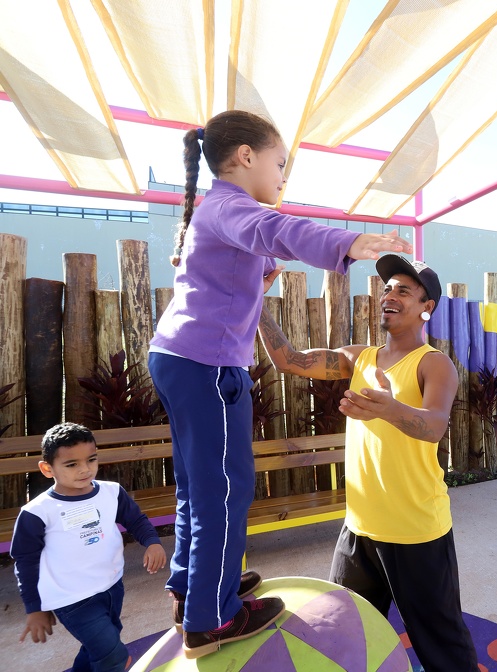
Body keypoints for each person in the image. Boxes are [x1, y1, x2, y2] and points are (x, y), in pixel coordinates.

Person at [148, 109, 412, 659]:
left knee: (201, 486)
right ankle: (210, 620)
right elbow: (276, 228)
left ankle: (193, 587)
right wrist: (352, 243)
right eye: (280, 163)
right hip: (204, 365)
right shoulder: (230, 205)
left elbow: (247, 257)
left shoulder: (215, 210)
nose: (283, 176)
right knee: (226, 489)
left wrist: (262, 274)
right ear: (245, 156)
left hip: (181, 358)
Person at [257, 254, 479, 671]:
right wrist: (254, 299)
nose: (388, 296)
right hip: (359, 527)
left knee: (442, 644)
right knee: (343, 629)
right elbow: (289, 360)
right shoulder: (358, 358)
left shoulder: (435, 363)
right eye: (387, 288)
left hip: (416, 532)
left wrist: (387, 408)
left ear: (426, 307)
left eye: (403, 290)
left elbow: (433, 426)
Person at [11, 422, 167, 672]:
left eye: (91, 460)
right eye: (72, 464)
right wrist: (35, 608)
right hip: (72, 599)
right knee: (113, 655)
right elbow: (26, 562)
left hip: (112, 586)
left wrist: (152, 542)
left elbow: (136, 520)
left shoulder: (111, 492)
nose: (84, 470)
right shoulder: (37, 512)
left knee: (100, 645)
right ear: (47, 469)